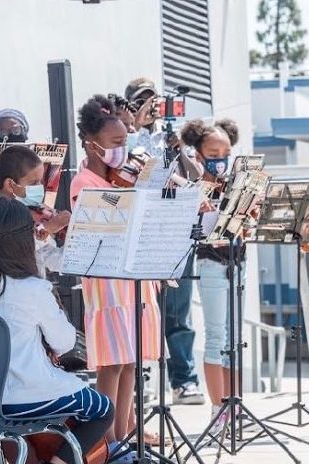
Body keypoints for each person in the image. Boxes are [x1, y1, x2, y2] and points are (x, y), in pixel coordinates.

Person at [0, 197, 114, 462]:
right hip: (22, 399)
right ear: (23, 241)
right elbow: (65, 343)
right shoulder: (30, 288)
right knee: (102, 410)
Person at [70, 95, 161, 460]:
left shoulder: (118, 179)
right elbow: (104, 220)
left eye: (126, 142)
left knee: (129, 360)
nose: (124, 152)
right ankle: (106, 441)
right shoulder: (84, 181)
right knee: (111, 360)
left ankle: (124, 435)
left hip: (131, 276)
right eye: (116, 144)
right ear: (92, 144)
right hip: (106, 279)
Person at [125, 77, 205, 406]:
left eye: (152, 99)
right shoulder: (125, 135)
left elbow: (195, 176)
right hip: (141, 231)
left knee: (178, 311)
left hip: (174, 229)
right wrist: (134, 126)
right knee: (140, 309)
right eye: (141, 100)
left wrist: (175, 148)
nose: (149, 105)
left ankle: (183, 380)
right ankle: (139, 380)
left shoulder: (173, 135)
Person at [180, 118, 243, 433]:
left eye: (226, 151)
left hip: (236, 263)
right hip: (212, 265)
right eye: (214, 152)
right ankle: (218, 410)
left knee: (235, 340)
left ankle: (236, 406)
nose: (221, 157)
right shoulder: (192, 188)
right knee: (217, 338)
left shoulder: (236, 185)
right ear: (199, 154)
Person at [0, 145, 71, 275]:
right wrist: (46, 228)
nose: (40, 187)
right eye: (33, 183)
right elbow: (8, 248)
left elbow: (50, 258)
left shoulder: (32, 213)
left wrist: (77, 240)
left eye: (41, 182)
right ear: (10, 184)